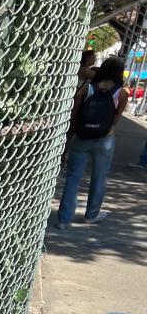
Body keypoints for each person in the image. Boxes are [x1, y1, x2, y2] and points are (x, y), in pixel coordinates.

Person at [57, 56, 128, 228]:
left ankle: (64, 219)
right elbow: (116, 117)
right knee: (99, 177)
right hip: (105, 140)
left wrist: (69, 136)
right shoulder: (121, 93)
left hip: (82, 138)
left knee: (73, 177)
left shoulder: (87, 88)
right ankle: (91, 214)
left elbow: (74, 114)